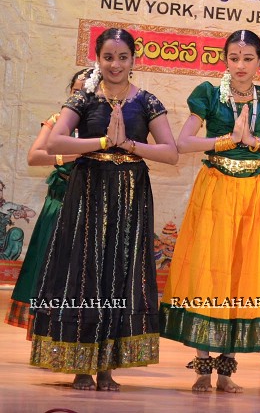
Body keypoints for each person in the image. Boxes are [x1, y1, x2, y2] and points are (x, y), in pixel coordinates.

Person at [31, 29, 178, 391]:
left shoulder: (146, 101)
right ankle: (82, 364)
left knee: (120, 272)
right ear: (98, 59)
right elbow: (51, 143)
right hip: (89, 191)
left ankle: (108, 367)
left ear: (133, 59)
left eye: (123, 57)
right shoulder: (83, 99)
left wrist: (127, 143)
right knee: (84, 271)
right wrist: (100, 141)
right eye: (109, 57)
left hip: (130, 195)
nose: (115, 64)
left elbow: (171, 152)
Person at [159, 30, 260, 393]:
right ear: (225, 59)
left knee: (243, 271)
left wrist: (257, 142)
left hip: (253, 191)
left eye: (248, 59)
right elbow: (183, 142)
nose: (240, 66)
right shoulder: (209, 94)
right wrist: (227, 140)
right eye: (234, 58)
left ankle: (226, 370)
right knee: (211, 268)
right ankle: (202, 367)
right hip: (216, 190)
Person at [6, 68, 89, 336]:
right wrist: (70, 157)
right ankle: (45, 333)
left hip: (90, 207)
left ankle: (77, 333)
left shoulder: (101, 125)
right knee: (50, 266)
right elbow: (34, 156)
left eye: (86, 91)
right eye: (76, 90)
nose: (80, 95)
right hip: (60, 204)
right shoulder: (57, 121)